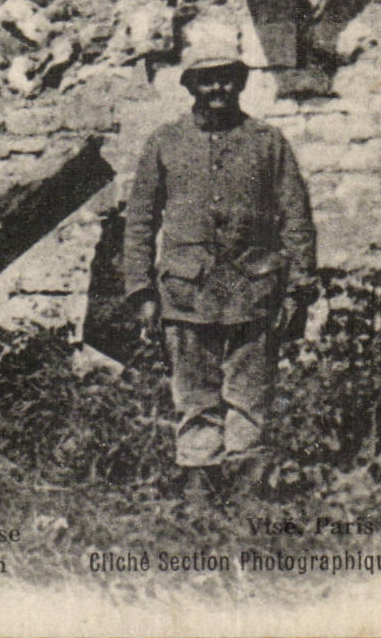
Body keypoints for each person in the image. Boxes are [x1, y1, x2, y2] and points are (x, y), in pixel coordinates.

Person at [122, 42, 316, 482]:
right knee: (194, 398)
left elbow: (296, 216)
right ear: (190, 85)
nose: (217, 87)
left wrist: (299, 287)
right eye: (206, 79)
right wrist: (141, 290)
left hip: (254, 291)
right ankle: (200, 494)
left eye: (227, 77)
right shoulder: (165, 142)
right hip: (186, 294)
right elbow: (139, 221)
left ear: (241, 82)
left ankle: (247, 491)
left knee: (250, 399)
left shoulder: (267, 143)